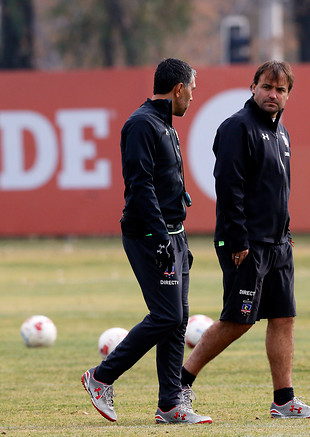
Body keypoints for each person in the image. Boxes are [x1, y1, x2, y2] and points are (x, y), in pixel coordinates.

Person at [179, 60, 310, 419]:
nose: (272, 95)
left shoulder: (282, 133)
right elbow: (228, 189)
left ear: (288, 95)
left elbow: (279, 190)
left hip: (277, 245)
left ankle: (284, 400)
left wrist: (285, 234)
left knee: (283, 317)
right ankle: (178, 385)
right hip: (245, 244)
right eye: (266, 87)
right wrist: (237, 239)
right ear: (253, 87)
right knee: (238, 320)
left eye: (280, 90)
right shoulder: (237, 128)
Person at [81, 58, 212, 424]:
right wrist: (159, 237)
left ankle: (170, 405)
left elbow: (167, 185)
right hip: (149, 235)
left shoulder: (164, 125)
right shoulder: (141, 124)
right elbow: (140, 187)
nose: (193, 99)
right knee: (167, 315)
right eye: (193, 91)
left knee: (179, 318)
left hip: (173, 235)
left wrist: (179, 238)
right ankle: (101, 376)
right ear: (179, 89)